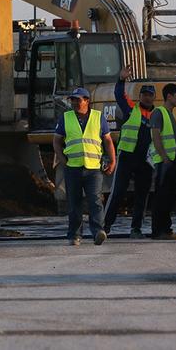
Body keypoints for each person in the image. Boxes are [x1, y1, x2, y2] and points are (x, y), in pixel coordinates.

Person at [52, 87, 116, 246]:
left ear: (87, 101)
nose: (74, 102)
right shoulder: (65, 118)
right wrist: (62, 160)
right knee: (74, 203)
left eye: (78, 100)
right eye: (72, 100)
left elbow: (107, 140)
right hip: (73, 167)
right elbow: (56, 141)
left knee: (95, 201)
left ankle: (98, 232)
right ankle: (74, 235)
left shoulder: (98, 117)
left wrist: (113, 160)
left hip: (93, 168)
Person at [103, 65, 156, 239]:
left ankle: (136, 229)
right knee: (118, 192)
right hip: (127, 157)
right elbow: (119, 95)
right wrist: (121, 79)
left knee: (142, 195)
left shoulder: (157, 115)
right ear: (140, 96)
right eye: (145, 95)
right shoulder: (131, 109)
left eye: (150, 95)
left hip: (145, 161)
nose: (147, 98)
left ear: (154, 97)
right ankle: (106, 226)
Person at [149, 83, 176, 240]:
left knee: (169, 197)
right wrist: (164, 158)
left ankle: (166, 229)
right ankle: (159, 231)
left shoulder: (170, 114)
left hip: (172, 160)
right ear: (169, 96)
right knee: (162, 197)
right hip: (165, 162)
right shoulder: (159, 113)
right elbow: (156, 137)